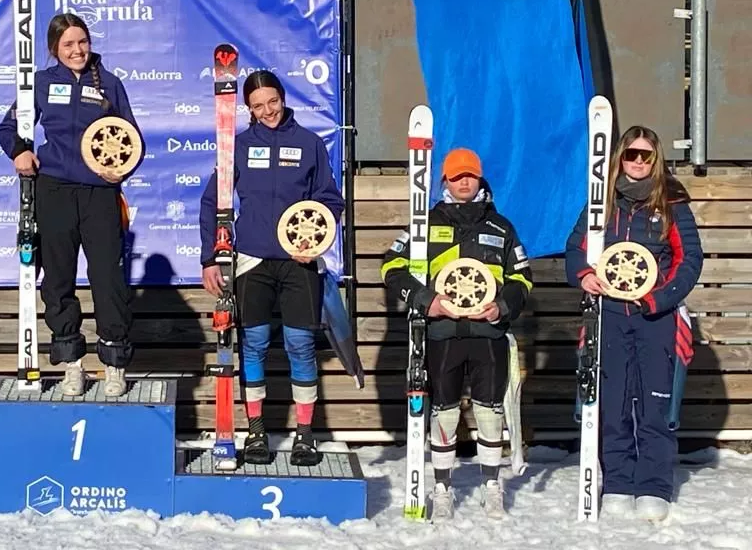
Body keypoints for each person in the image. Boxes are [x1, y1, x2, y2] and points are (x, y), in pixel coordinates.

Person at [199, 70, 344, 467]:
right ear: (248, 108)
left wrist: (313, 243)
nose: (268, 111)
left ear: (283, 97)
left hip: (300, 262)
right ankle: (257, 430)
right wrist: (209, 257)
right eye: (258, 105)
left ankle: (304, 435)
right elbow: (212, 203)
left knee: (300, 345)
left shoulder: (310, 144)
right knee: (255, 344)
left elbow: (330, 202)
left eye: (273, 102)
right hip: (253, 261)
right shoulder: (238, 146)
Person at [380, 148, 532, 520]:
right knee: (444, 412)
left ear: (480, 179)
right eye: (456, 176)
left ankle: (492, 486)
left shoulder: (501, 227)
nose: (464, 182)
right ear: (444, 182)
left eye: (471, 176)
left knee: (490, 412)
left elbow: (522, 278)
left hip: (488, 334)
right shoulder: (424, 225)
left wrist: (503, 307)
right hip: (442, 333)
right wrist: (425, 300)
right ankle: (443, 487)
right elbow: (392, 265)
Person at [0, 13, 142, 397]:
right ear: (54, 49)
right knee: (58, 277)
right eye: (68, 45)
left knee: (107, 279)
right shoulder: (41, 83)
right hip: (55, 190)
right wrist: (20, 152)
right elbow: (7, 128)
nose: (77, 51)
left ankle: (113, 363)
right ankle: (72, 363)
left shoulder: (109, 84)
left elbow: (132, 139)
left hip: (99, 194)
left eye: (82, 42)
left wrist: (119, 172)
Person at [565, 125, 703, 523]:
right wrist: (583, 275)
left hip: (655, 315)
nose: (639, 162)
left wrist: (659, 298)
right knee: (614, 401)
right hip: (609, 314)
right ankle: (620, 482)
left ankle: (655, 485)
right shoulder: (601, 202)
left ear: (656, 159)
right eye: (632, 155)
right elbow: (577, 249)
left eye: (646, 156)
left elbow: (689, 258)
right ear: (620, 157)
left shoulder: (672, 201)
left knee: (655, 402)